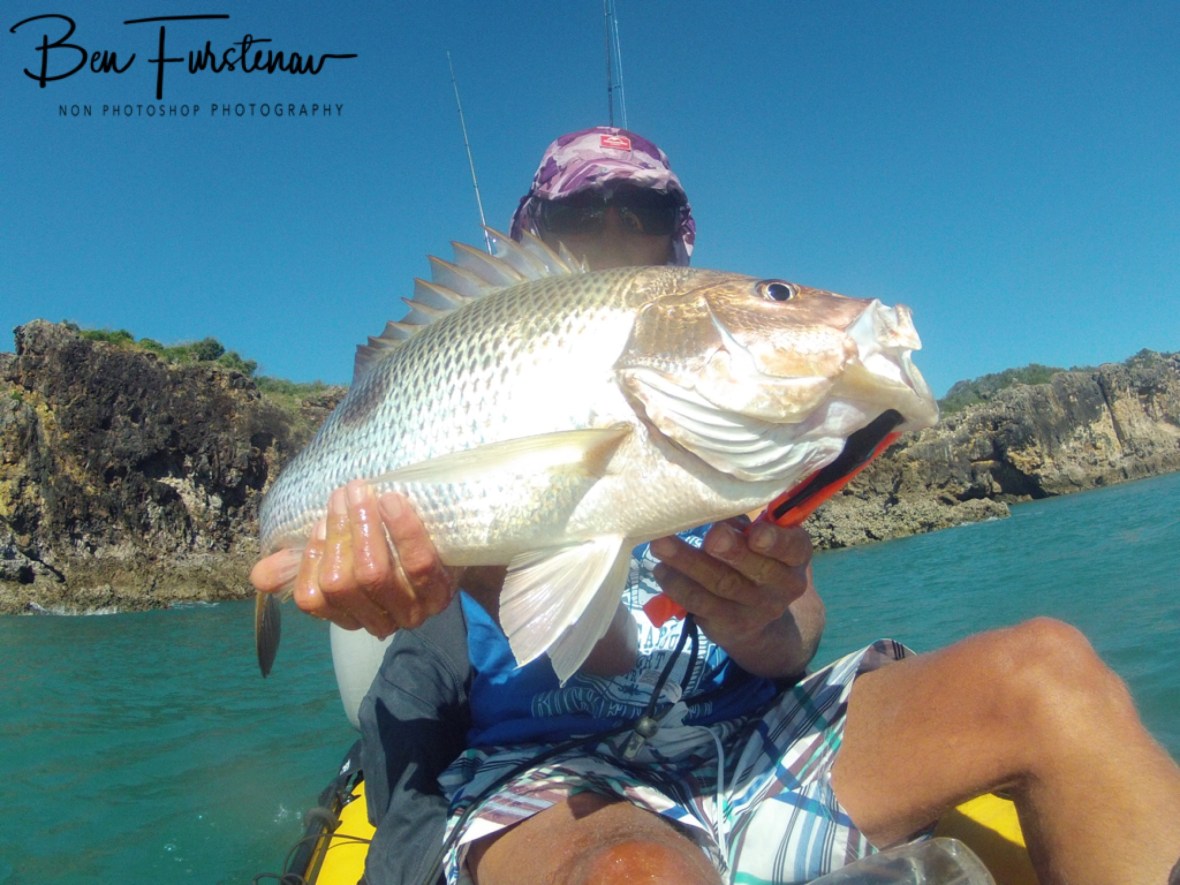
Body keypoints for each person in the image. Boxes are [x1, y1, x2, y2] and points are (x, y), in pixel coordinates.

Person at [251, 127, 1180, 885]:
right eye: (582, 211)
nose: (616, 221)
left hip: (749, 734)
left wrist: (762, 616)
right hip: (550, 771)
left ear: (678, 242)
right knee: (632, 870)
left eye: (646, 208)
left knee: (1053, 672)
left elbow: (797, 632)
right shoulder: (526, 380)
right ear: (541, 234)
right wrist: (489, 579)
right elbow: (580, 649)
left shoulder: (751, 436)